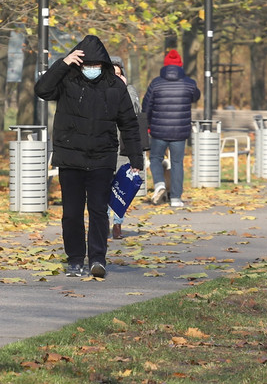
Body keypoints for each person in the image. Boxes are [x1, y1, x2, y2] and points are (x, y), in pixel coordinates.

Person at [35, 35, 143, 279]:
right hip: (70, 158)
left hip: (101, 159)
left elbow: (129, 124)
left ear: (103, 65)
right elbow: (42, 90)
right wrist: (63, 63)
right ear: (79, 63)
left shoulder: (115, 87)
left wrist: (136, 159)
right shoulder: (67, 80)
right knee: (71, 213)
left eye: (96, 66)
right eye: (87, 65)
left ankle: (97, 258)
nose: (92, 70)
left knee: (98, 212)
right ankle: (75, 259)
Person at [142, 49, 201, 208]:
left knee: (155, 158)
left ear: (165, 65)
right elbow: (196, 96)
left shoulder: (156, 83)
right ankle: (175, 198)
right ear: (180, 66)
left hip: (158, 131)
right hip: (179, 133)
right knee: (177, 163)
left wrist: (147, 126)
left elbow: (146, 107)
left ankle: (160, 184)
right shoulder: (189, 83)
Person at [109, 55, 149, 239]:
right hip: (106, 147)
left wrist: (125, 90)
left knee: (122, 187)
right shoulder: (100, 91)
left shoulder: (129, 90)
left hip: (123, 147)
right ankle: (102, 223)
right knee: (103, 188)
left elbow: (135, 113)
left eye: (119, 73)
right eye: (112, 73)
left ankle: (117, 224)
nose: (115, 77)